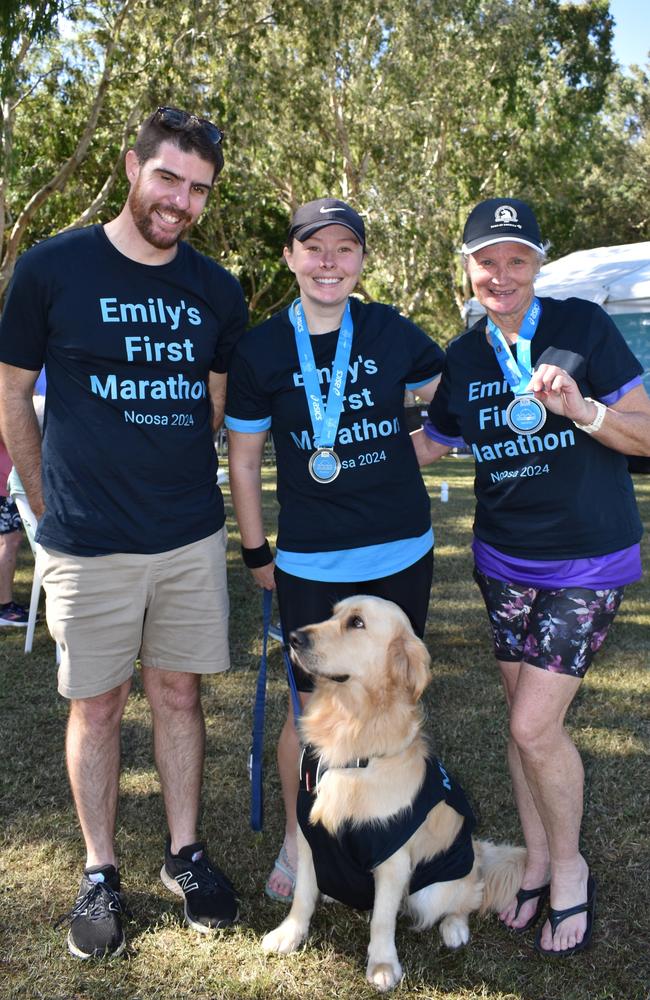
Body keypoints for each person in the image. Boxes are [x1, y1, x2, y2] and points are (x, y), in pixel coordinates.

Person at [0, 106, 248, 958]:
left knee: (180, 695)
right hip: (86, 541)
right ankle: (101, 870)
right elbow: (12, 396)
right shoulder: (50, 268)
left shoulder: (217, 288)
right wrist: (48, 507)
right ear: (132, 166)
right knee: (96, 704)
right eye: (168, 178)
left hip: (185, 537)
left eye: (199, 190)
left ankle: (185, 854)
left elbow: (215, 402)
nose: (180, 201)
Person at [412, 197, 650, 957]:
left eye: (517, 259)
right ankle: (539, 857)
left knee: (531, 726)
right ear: (469, 268)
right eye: (488, 260)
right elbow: (432, 443)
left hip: (587, 559)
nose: (502, 274)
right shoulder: (465, 356)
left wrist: (582, 409)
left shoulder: (584, 326)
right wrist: (349, 437)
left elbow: (645, 430)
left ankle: (571, 867)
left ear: (538, 263)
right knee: (523, 725)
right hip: (501, 561)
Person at [225, 198, 445, 901]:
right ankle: (300, 845)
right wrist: (257, 550)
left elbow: (446, 393)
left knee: (391, 699)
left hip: (402, 551)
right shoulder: (260, 349)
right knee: (310, 712)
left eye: (344, 248)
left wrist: (420, 444)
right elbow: (245, 455)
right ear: (289, 256)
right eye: (313, 247)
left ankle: (390, 836)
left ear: (360, 261)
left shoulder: (389, 330)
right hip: (313, 561)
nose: (329, 262)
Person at [0, 436, 28, 626]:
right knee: (10, 541)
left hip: (7, 482)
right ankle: (4, 608)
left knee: (8, 541)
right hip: (4, 484)